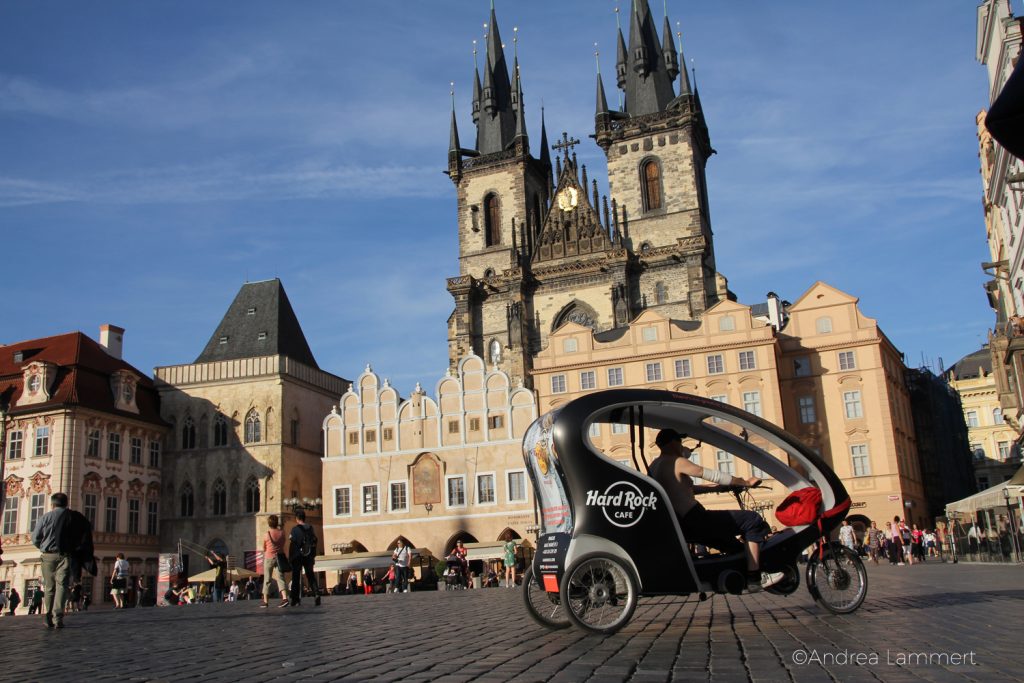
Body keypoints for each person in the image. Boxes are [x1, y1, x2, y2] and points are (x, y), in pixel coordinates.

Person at [649, 429, 784, 590]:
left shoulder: (654, 466)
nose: (681, 446)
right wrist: (745, 482)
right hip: (696, 519)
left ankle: (736, 576)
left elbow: (686, 489)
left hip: (682, 524)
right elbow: (711, 474)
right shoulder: (676, 461)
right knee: (752, 520)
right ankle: (755, 578)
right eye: (680, 442)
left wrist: (717, 489)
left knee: (735, 548)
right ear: (674, 442)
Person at [31, 492, 76, 628]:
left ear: (52, 504)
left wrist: (43, 547)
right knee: (62, 585)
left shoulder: (45, 517)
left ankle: (48, 615)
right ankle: (58, 618)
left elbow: (35, 538)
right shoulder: (71, 517)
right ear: (66, 503)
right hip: (65, 555)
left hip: (48, 555)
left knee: (49, 587)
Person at [289, 509, 320, 606]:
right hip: (308, 555)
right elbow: (314, 541)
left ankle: (295, 599)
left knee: (296, 577)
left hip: (298, 556)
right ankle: (316, 594)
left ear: (297, 518)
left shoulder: (294, 530)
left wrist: (291, 557)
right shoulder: (310, 528)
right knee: (310, 575)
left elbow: (292, 544)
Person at [262, 514, 291, 608]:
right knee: (280, 578)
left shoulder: (267, 534)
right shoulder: (282, 533)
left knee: (267, 579)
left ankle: (265, 602)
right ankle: (284, 598)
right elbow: (283, 544)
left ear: (269, 523)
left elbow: (264, 547)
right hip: (279, 558)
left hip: (269, 558)